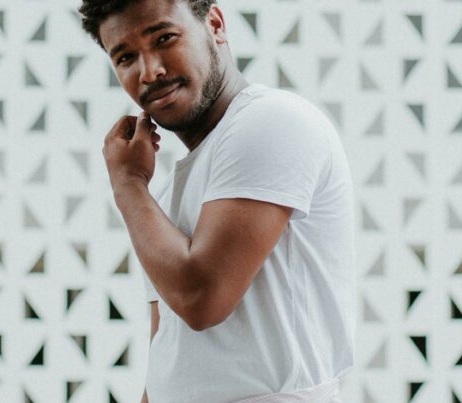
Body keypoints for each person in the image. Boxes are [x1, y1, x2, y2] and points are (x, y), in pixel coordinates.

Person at [78, 1, 356, 402]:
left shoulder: (273, 121)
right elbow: (168, 352)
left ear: (214, 24)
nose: (149, 71)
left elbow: (201, 300)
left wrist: (128, 183)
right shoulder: (165, 193)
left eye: (164, 38)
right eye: (125, 57)